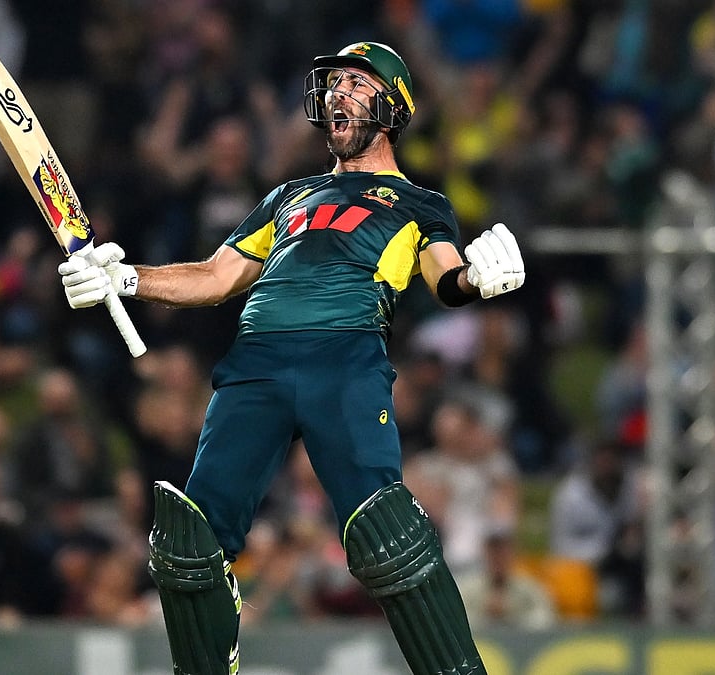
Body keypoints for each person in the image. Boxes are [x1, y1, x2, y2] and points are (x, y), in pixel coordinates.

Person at [60, 41, 523, 674]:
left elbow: (446, 278)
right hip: (255, 365)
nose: (338, 93)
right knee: (189, 543)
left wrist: (478, 281)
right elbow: (216, 275)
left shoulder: (419, 203)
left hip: (346, 359)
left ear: (393, 107)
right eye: (334, 84)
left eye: (356, 84)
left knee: (389, 537)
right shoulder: (288, 196)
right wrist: (126, 278)